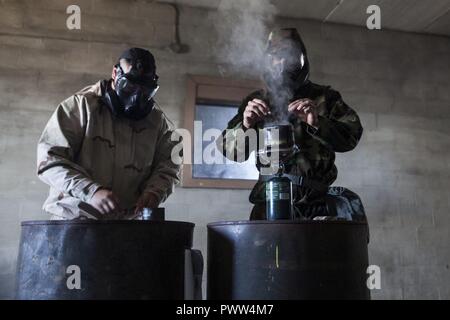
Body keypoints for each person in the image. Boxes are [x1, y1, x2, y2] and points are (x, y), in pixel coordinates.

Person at [217, 28, 365, 221]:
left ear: (303, 59)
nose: (284, 62)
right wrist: (246, 124)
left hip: (317, 207)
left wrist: (317, 122)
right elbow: (231, 152)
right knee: (268, 252)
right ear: (268, 61)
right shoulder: (255, 101)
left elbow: (351, 136)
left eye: (291, 55)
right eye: (277, 56)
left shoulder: (325, 98)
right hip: (269, 204)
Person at [37, 48, 179, 220]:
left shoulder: (156, 121)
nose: (135, 97)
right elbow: (49, 161)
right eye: (129, 87)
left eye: (144, 91)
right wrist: (90, 191)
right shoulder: (81, 106)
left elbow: (170, 164)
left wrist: (154, 192)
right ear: (115, 73)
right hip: (75, 223)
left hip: (126, 227)